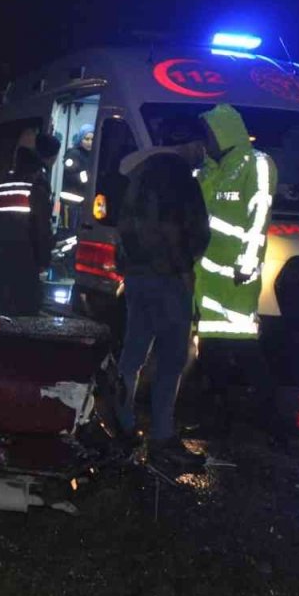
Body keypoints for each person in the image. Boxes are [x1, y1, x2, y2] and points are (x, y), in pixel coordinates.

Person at [113, 125, 211, 469]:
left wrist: (128, 267)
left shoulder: (140, 173)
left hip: (137, 277)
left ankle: (121, 424)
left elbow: (125, 226)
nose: (203, 152)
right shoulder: (179, 177)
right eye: (201, 145)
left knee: (133, 354)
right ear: (189, 144)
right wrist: (184, 268)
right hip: (168, 278)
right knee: (171, 359)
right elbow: (179, 228)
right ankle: (162, 436)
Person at [191, 104, 284, 442]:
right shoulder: (207, 171)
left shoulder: (256, 163)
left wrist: (247, 261)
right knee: (211, 353)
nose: (206, 141)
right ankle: (219, 419)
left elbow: (259, 215)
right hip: (206, 279)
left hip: (235, 278)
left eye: (209, 134)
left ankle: (272, 421)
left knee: (246, 352)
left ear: (224, 132)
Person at [0, 129, 61, 315]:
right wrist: (44, 258)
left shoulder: (2, 183)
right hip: (24, 259)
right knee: (25, 312)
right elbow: (41, 227)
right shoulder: (37, 185)